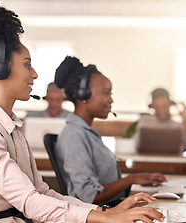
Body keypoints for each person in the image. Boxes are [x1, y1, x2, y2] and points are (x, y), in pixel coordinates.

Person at [0, 1, 164, 223]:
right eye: (27, 65)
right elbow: (29, 202)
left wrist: (106, 211)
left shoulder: (8, 125)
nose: (35, 74)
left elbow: (41, 192)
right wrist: (106, 218)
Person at [54, 56, 167, 208]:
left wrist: (135, 181)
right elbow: (90, 196)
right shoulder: (73, 135)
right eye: (106, 93)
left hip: (109, 211)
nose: (111, 100)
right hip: (96, 222)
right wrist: (131, 179)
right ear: (83, 94)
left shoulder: (87, 132)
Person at [136, 87, 186, 153]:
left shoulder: (178, 126)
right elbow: (132, 145)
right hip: (147, 162)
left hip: (173, 162)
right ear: (152, 106)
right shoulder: (143, 122)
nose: (160, 110)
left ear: (170, 104)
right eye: (157, 107)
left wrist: (185, 119)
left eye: (164, 106)